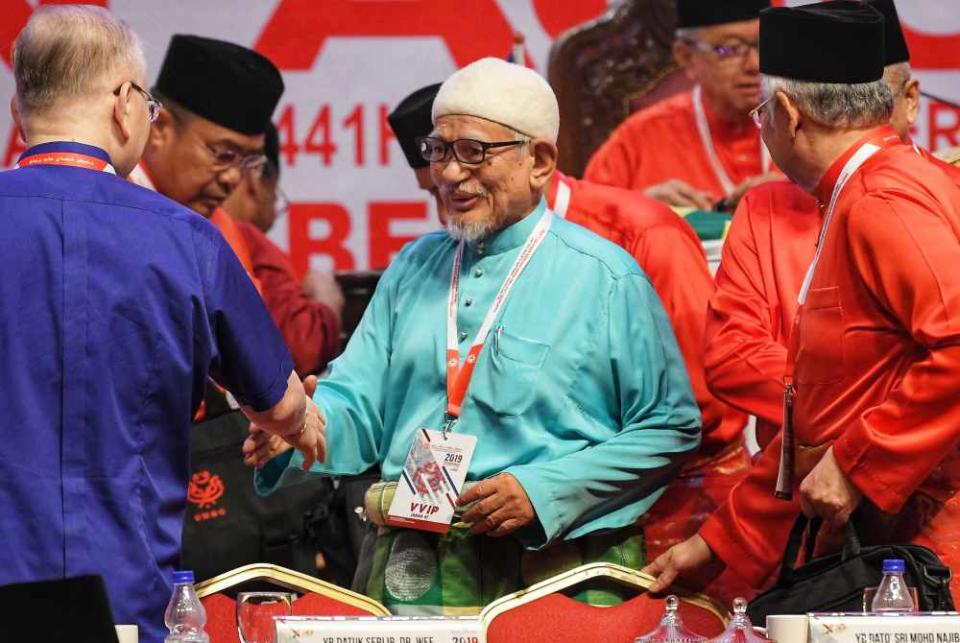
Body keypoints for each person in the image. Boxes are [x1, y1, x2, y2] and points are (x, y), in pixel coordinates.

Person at [247, 58, 701, 615]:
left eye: (473, 152)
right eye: (440, 150)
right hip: (418, 568)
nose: (450, 174)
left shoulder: (605, 276)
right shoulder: (413, 267)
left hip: (555, 571)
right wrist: (301, 428)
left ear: (539, 160)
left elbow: (669, 427)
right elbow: (357, 407)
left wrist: (544, 490)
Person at [0, 7, 322, 641]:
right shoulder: (187, 239)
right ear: (126, 104)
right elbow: (282, 404)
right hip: (129, 597)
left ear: (19, 110)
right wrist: (299, 423)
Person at [646, 1, 960, 602]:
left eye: (763, 110)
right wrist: (722, 542)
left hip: (932, 550)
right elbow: (837, 409)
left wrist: (858, 464)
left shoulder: (882, 199)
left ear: (788, 114)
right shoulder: (866, 191)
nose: (761, 125)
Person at [389, 80, 748, 602]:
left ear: (531, 159)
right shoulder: (442, 258)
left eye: (471, 162)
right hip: (486, 534)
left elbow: (702, 409)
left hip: (656, 520)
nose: (449, 199)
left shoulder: (637, 235)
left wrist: (551, 478)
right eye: (436, 185)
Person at [703, 0, 960, 451]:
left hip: (909, 466)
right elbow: (732, 355)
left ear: (908, 100)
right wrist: (849, 412)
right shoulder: (765, 206)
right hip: (804, 466)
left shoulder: (908, 194)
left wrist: (857, 429)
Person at [136, 34, 341, 375]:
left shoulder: (223, 230)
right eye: (223, 155)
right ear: (159, 128)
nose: (233, 179)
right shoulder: (104, 207)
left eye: (247, 162)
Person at [584, 0, 778, 211]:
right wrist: (636, 210)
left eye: (763, 45)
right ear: (686, 57)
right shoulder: (639, 138)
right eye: (728, 49)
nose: (753, 65)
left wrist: (798, 193)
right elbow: (581, 220)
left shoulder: (805, 122)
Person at [222, 122, 344, 376]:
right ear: (257, 178)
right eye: (275, 194)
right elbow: (300, 349)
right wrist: (327, 302)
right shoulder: (245, 238)